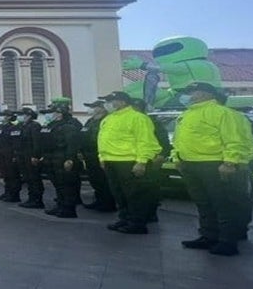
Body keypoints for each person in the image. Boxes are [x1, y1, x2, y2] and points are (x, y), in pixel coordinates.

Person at [173, 81, 253, 256]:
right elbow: (179, 140)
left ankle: (228, 241)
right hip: (190, 164)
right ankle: (208, 236)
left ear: (204, 94)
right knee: (204, 203)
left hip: (214, 164)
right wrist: (177, 158)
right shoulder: (186, 115)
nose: (187, 96)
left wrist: (229, 162)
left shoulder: (223, 113)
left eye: (191, 92)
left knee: (223, 204)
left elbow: (234, 140)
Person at [97, 90, 162, 235]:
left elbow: (145, 141)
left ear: (122, 102)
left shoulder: (137, 118)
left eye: (111, 101)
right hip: (111, 161)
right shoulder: (109, 119)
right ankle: (124, 218)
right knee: (119, 193)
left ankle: (137, 223)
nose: (108, 104)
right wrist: (102, 158)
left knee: (134, 194)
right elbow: (102, 140)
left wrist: (142, 162)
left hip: (129, 161)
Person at [39, 102, 82, 219]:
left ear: (60, 113)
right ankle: (60, 206)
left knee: (66, 185)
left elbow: (72, 144)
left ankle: (68, 209)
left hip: (62, 157)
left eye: (52, 112)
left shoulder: (69, 126)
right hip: (52, 158)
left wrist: (69, 159)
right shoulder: (52, 125)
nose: (49, 115)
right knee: (58, 185)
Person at [79, 100, 115, 213]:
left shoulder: (107, 119)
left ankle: (108, 203)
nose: (91, 109)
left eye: (94, 107)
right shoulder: (90, 120)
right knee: (95, 180)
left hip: (100, 154)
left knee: (104, 180)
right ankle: (99, 200)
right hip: (89, 155)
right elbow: (83, 135)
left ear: (102, 108)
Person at [12, 107, 44, 208]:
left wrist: (35, 156)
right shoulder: (20, 125)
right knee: (27, 178)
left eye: (21, 115)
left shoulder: (34, 126)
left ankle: (37, 200)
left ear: (29, 116)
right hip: (21, 155)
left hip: (30, 155)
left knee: (34, 178)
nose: (19, 117)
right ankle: (31, 198)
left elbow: (37, 142)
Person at [0, 110, 21, 202]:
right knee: (5, 175)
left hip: (9, 153)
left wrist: (15, 154)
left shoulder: (13, 128)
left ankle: (14, 195)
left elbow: (16, 143)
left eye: (2, 115)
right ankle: (7, 192)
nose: (0, 117)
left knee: (12, 175)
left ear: (8, 117)